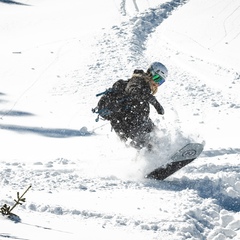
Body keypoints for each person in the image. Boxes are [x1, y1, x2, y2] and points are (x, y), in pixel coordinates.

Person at [95, 62, 168, 150]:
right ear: (150, 73)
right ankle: (154, 161)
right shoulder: (137, 81)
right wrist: (153, 101)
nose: (157, 84)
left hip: (136, 123)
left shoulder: (144, 86)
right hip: (128, 127)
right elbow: (133, 90)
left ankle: (166, 153)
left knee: (157, 136)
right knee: (149, 147)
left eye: (160, 81)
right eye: (157, 78)